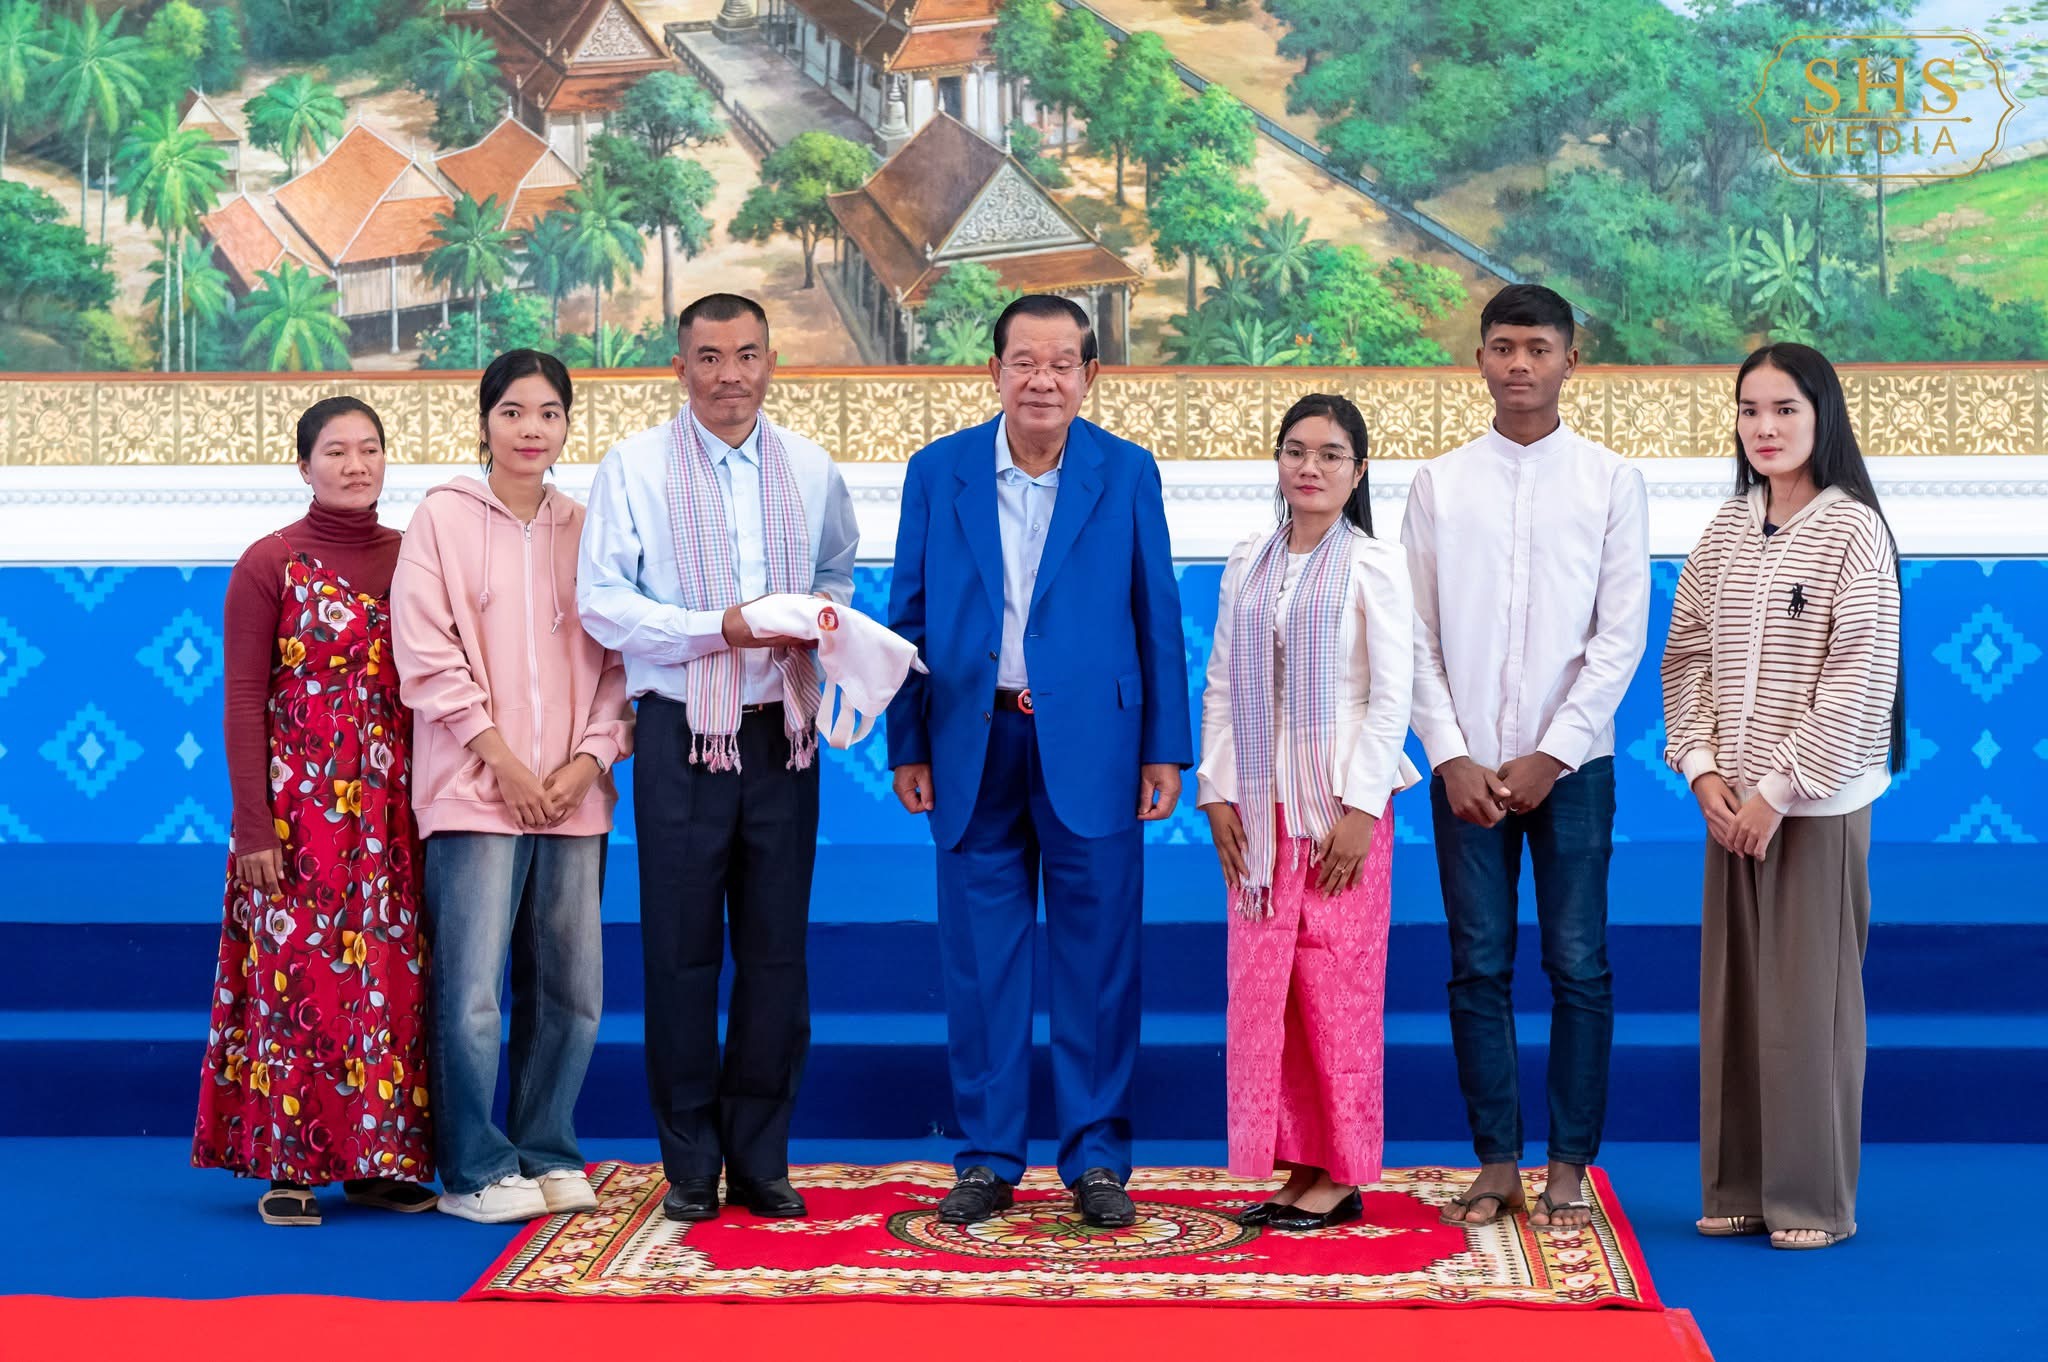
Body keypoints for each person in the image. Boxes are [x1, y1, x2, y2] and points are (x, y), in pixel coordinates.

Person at [885, 294, 1192, 1228]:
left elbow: (1157, 615)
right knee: (981, 964)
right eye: (1024, 361)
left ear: (1090, 376)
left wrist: (1165, 750)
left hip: (1096, 745)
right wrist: (908, 741)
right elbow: (908, 617)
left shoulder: (1125, 472)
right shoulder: (938, 472)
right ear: (994, 371)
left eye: (1062, 364)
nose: (1042, 380)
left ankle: (1096, 1159)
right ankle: (987, 1158)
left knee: (1098, 960)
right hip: (970, 740)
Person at [577, 294, 857, 1223]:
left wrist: (818, 616)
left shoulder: (811, 467)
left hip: (784, 736)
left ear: (771, 361)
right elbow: (602, 602)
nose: (729, 374)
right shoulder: (634, 466)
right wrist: (716, 629)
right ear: (680, 366)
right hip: (681, 736)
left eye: (745, 355)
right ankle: (691, 1163)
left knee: (777, 957)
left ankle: (762, 1158)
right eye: (709, 357)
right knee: (680, 953)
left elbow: (837, 570)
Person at [1402, 283, 1649, 1230]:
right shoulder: (1439, 484)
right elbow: (1414, 634)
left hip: (1573, 770)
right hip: (1465, 771)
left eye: (1538, 348)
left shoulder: (1611, 482)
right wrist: (1450, 754)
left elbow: (1619, 640)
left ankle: (1570, 1164)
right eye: (1503, 347)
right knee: (1477, 964)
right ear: (1479, 360)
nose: (1519, 364)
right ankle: (1497, 1162)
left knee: (1579, 964)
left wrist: (1554, 753)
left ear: (1570, 361)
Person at [1662, 343, 1903, 1252]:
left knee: (1809, 1008)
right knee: (1735, 1004)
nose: (1764, 427)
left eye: (1785, 409)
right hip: (1729, 806)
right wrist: (1703, 770)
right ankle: (1739, 1187)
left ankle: (1811, 1201)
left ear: (1821, 416)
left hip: (1813, 805)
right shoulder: (1727, 528)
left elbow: (1858, 679)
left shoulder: (1853, 531)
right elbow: (1686, 656)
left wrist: (1775, 789)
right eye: (1750, 410)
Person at [392, 351, 633, 1224]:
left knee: (572, 990)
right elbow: (426, 656)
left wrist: (586, 763)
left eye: (549, 413)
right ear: (484, 421)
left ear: (568, 425)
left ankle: (546, 1150)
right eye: (513, 412)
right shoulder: (441, 519)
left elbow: (622, 660)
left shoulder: (591, 528)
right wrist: (504, 763)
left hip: (573, 795)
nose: (532, 430)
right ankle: (473, 1169)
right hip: (475, 788)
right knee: (472, 994)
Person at [193, 397, 436, 1225]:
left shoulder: (416, 557)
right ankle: (289, 1167)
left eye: (370, 448)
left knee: (391, 982)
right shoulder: (269, 562)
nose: (355, 465)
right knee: (296, 981)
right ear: (304, 466)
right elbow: (242, 702)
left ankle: (378, 1161)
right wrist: (252, 827)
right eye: (336, 451)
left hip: (395, 812)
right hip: (300, 817)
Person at [1197, 394, 1420, 1233]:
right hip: (1259, 813)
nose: (1310, 467)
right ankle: (1297, 1164)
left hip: (1336, 812)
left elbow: (1391, 696)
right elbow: (1222, 684)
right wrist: (1215, 793)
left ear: (1358, 472)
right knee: (1269, 997)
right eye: (1296, 451)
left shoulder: (1374, 565)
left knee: (1336, 991)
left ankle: (1341, 1172)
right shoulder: (1247, 561)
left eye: (1330, 455)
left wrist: (1362, 809)